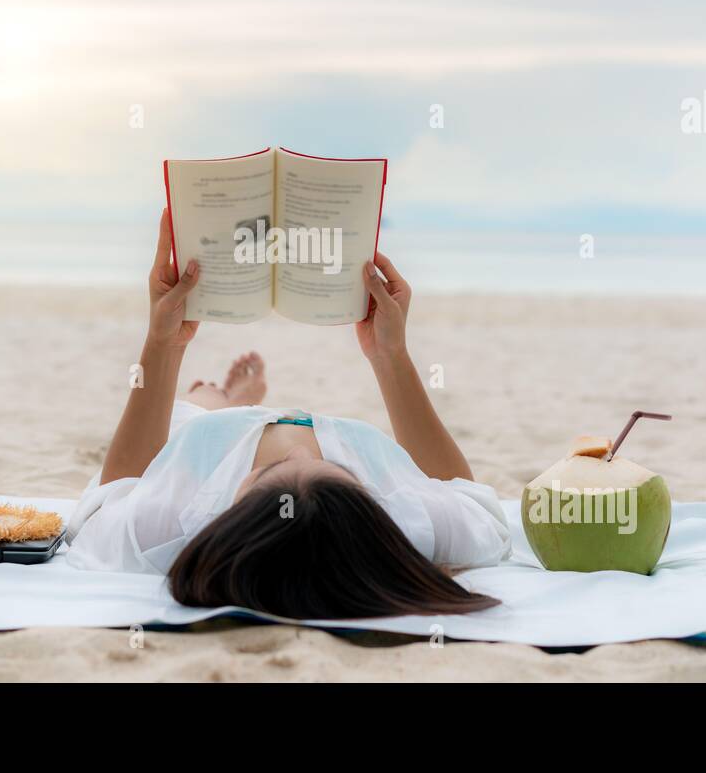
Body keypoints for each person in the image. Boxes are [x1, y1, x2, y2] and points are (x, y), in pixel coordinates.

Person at [66, 211, 510, 619]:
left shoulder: (168, 526)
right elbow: (467, 495)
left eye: (269, 473)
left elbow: (108, 498)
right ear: (372, 516)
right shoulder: (413, 529)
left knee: (197, 407)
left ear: (230, 517)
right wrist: (390, 355)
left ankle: (226, 400)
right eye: (333, 473)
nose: (299, 452)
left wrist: (164, 343)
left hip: (208, 443)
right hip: (277, 461)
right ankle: (234, 402)